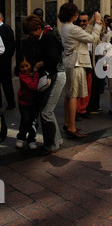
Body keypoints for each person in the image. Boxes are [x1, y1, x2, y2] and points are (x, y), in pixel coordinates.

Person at [23, 15, 66, 155]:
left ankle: (52, 144)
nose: (31, 36)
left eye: (32, 33)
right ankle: (56, 140)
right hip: (53, 75)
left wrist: (39, 64)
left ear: (39, 28)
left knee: (46, 111)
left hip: (55, 75)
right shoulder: (44, 36)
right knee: (47, 110)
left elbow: (53, 59)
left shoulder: (48, 37)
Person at [58, 3, 102, 138]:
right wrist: (98, 23)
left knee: (69, 95)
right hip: (76, 64)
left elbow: (83, 34)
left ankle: (67, 123)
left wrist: (90, 24)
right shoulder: (72, 28)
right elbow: (93, 38)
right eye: (76, 13)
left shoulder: (66, 27)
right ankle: (71, 128)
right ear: (73, 14)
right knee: (73, 96)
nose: (78, 15)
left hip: (70, 63)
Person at [15, 55, 39, 150]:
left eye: (26, 65)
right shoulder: (23, 76)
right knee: (25, 120)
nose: (25, 69)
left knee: (33, 121)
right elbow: (33, 86)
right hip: (24, 102)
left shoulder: (33, 73)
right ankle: (21, 137)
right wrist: (36, 74)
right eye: (22, 67)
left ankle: (31, 139)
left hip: (34, 102)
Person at [0, 12, 16, 109]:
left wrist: (7, 58)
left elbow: (11, 45)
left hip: (4, 60)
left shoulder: (6, 28)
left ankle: (11, 103)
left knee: (6, 83)